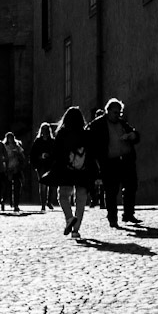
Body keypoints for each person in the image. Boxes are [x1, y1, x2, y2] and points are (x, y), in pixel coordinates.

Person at [92, 97, 141, 226]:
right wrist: (98, 160)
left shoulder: (122, 123)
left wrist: (132, 135)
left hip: (126, 160)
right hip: (110, 162)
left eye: (119, 112)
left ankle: (129, 214)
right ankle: (112, 218)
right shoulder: (98, 124)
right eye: (115, 112)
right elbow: (91, 142)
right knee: (111, 191)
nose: (117, 115)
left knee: (131, 187)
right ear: (107, 111)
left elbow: (136, 135)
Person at [51, 106, 94, 238]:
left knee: (63, 196)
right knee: (81, 199)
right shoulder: (86, 133)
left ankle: (69, 218)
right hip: (82, 171)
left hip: (66, 170)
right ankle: (75, 230)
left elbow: (57, 154)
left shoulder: (62, 134)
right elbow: (91, 154)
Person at [30, 122, 57, 209]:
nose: (45, 131)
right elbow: (33, 154)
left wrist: (50, 156)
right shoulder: (37, 142)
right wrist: (38, 159)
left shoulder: (52, 142)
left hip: (50, 165)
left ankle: (49, 202)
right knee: (43, 186)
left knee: (52, 185)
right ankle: (43, 204)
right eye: (43, 129)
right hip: (41, 165)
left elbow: (56, 153)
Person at [4, 132, 25, 211]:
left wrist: (17, 154)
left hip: (16, 168)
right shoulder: (5, 147)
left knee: (17, 187)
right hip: (8, 168)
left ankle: (16, 204)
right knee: (7, 187)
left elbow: (23, 157)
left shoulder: (17, 146)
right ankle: (6, 201)